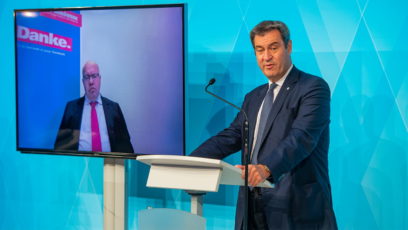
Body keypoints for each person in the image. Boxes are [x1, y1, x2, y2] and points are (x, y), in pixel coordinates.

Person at [190, 21, 337, 229]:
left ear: (289, 47)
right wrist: (191, 161)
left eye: (273, 48)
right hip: (252, 206)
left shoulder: (312, 88)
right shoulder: (254, 97)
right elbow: (232, 136)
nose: (266, 57)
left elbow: (302, 138)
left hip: (295, 208)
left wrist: (266, 167)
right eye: (260, 50)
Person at [54, 61, 134, 153]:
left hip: (108, 163)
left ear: (100, 79)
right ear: (83, 81)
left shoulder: (114, 108)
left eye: (94, 76)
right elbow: (60, 145)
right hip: (80, 164)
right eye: (87, 77)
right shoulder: (71, 108)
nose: (91, 82)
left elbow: (125, 144)